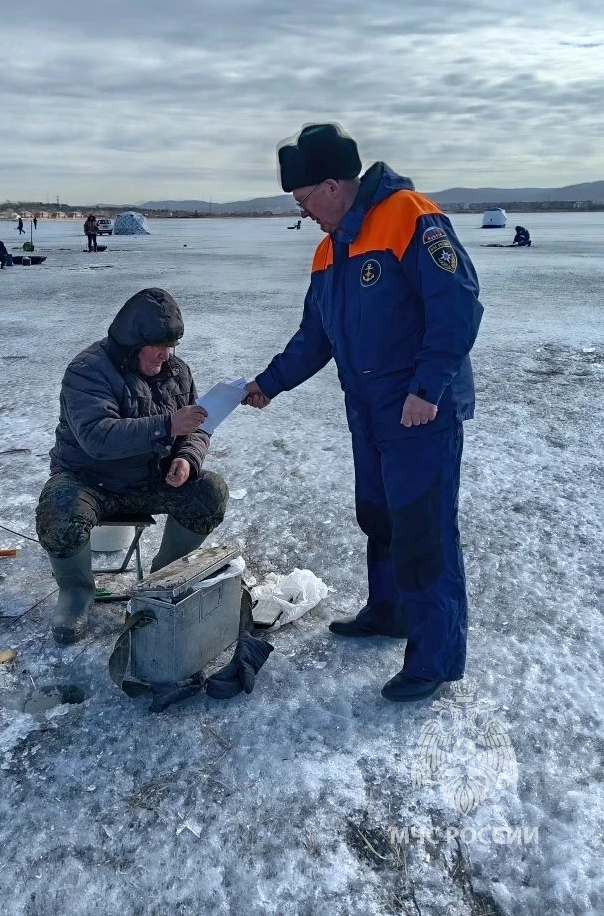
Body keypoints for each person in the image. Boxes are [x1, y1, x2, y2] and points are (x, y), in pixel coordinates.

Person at [243, 123, 484, 702]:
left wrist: (427, 389)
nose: (304, 214)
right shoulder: (331, 248)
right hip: (369, 411)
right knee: (379, 516)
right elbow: (314, 337)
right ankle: (389, 610)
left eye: (304, 201)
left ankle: (434, 660)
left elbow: (457, 305)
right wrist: (267, 385)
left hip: (419, 411)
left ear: (331, 186)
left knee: (423, 530)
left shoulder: (409, 216)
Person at [35, 288, 229, 644]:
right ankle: (76, 592)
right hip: (89, 480)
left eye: (171, 346)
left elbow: (198, 427)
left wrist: (187, 457)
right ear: (130, 344)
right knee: (58, 507)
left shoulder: (178, 372)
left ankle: (164, 581)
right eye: (157, 346)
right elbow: (97, 437)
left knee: (209, 492)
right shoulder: (87, 370)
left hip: (152, 479)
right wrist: (167, 425)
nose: (165, 355)